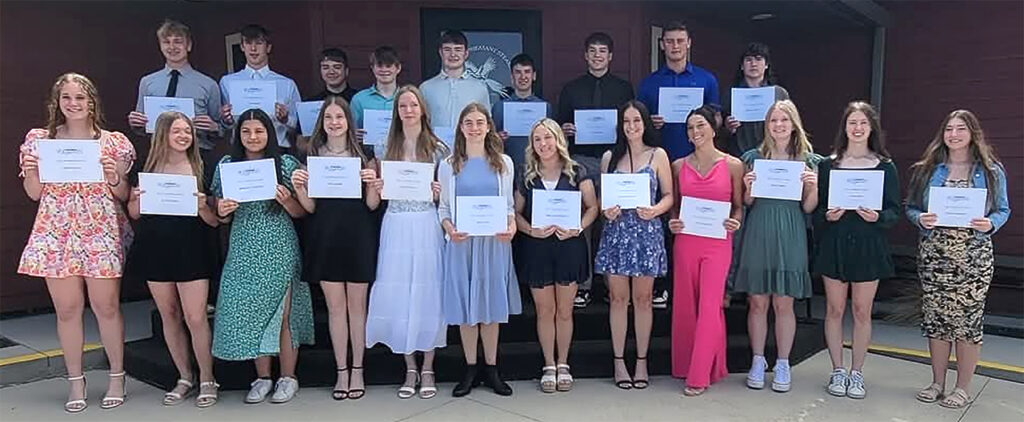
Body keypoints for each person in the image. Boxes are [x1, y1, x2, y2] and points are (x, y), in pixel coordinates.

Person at [18, 73, 136, 412]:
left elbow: (123, 193)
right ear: (57, 102)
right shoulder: (40, 140)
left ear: (92, 102)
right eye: (66, 97)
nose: (73, 103)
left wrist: (114, 176)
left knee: (106, 306)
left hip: (99, 230)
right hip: (56, 232)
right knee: (67, 309)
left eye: (80, 97)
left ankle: (116, 376)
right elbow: (34, 193)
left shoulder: (113, 143)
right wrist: (32, 171)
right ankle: (75, 381)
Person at [905, 110, 1010, 409]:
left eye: (960, 129)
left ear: (973, 133)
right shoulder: (927, 170)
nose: (954, 134)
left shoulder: (991, 170)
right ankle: (937, 383)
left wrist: (990, 224)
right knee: (936, 320)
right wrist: (920, 218)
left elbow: (1003, 210)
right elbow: (911, 207)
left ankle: (962, 388)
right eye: (949, 129)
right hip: (934, 257)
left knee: (967, 323)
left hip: (973, 257)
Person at [210, 109, 314, 404]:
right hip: (243, 246)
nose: (253, 137)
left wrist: (287, 201)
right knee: (253, 311)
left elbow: (302, 212)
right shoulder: (227, 166)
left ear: (269, 133)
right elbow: (219, 215)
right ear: (238, 135)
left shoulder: (285, 164)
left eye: (259, 131)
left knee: (283, 313)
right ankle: (263, 378)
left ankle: (288, 377)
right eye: (246, 131)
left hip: (278, 244)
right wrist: (222, 211)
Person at [124, 112, 219, 407]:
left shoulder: (203, 166)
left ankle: (207, 378)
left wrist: (203, 206)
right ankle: (185, 377)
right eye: (176, 131)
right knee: (169, 314)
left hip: (192, 250)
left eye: (187, 131)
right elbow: (135, 213)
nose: (183, 136)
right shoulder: (146, 167)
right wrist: (135, 199)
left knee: (196, 317)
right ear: (162, 134)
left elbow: (214, 221)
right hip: (156, 249)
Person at [290, 97, 380, 400]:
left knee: (358, 308)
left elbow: (372, 205)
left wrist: (374, 185)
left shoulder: (365, 155)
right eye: (328, 117)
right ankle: (341, 370)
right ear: (322, 122)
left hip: (358, 236)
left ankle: (358, 369)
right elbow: (310, 207)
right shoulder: (313, 155)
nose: (334, 123)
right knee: (335, 308)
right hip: (326, 236)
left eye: (339, 117)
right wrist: (299, 187)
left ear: (348, 121)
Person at [364, 85, 448, 400]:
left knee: (427, 293)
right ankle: (409, 366)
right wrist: (376, 186)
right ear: (396, 112)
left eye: (413, 105)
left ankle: (428, 367)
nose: (409, 111)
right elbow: (372, 203)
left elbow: (446, 199)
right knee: (400, 294)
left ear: (423, 109)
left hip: (426, 223)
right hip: (396, 224)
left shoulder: (438, 148)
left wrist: (440, 193)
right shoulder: (384, 147)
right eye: (403, 106)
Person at [813, 101, 900, 400]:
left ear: (872, 128)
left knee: (862, 311)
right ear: (845, 127)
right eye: (853, 122)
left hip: (868, 245)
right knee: (835, 309)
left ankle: (857, 372)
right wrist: (827, 215)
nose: (858, 128)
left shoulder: (885, 166)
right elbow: (816, 211)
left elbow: (894, 211)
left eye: (864, 123)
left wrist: (879, 217)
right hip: (835, 244)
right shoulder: (828, 165)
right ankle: (837, 369)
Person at [732, 100, 820, 393]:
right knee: (757, 301)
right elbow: (747, 203)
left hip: (790, 230)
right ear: (766, 125)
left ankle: (783, 362)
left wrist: (813, 186)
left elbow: (808, 208)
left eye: (784, 120)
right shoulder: (754, 157)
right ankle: (758, 360)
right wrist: (748, 187)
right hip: (760, 229)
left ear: (794, 124)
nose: (779, 125)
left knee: (784, 302)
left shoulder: (808, 160)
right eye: (773, 120)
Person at [438, 103, 521, 397]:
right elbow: (444, 208)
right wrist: (449, 229)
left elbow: (508, 206)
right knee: (466, 308)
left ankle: (492, 368)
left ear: (488, 127)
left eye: (479, 122)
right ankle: (470, 368)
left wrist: (512, 226)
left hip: (494, 244)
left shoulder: (503, 163)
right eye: (469, 123)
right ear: (461, 128)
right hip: (462, 244)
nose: (474, 128)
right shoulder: (448, 165)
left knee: (491, 306)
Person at [513, 118, 599, 393]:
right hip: (537, 248)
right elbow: (515, 213)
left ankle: (564, 364)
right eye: (537, 139)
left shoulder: (577, 171)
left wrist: (578, 228)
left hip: (568, 247)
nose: (543, 144)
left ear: (558, 139)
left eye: (548, 137)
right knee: (544, 311)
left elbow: (592, 207)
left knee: (564, 311)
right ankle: (548, 365)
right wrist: (531, 230)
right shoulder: (527, 175)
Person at [594, 101, 673, 391]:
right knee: (617, 299)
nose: (631, 126)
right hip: (617, 234)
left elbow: (669, 195)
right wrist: (606, 210)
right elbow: (602, 200)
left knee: (643, 299)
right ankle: (618, 361)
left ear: (645, 123)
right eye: (626, 121)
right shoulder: (609, 157)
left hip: (646, 234)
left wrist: (655, 210)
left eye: (636, 120)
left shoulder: (658, 155)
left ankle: (641, 361)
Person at [667, 105, 744, 396]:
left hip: (717, 242)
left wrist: (735, 221)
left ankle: (698, 376)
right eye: (690, 128)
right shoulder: (678, 166)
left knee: (711, 305)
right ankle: (693, 365)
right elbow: (675, 206)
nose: (695, 131)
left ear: (714, 128)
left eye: (700, 125)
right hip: (686, 241)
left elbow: (738, 206)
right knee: (686, 305)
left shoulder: (733, 165)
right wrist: (673, 221)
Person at [556, 32, 635, 308]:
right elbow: (560, 126)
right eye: (593, 51)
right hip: (582, 160)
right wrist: (565, 129)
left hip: (615, 160)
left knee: (615, 220)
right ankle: (585, 284)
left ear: (610, 56)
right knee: (585, 223)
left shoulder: (624, 89)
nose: (597, 55)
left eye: (602, 51)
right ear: (585, 55)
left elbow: (632, 122)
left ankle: (614, 285)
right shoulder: (571, 89)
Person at [128, 19, 223, 172]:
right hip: (160, 156)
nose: (172, 47)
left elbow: (221, 128)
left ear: (188, 45)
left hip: (197, 156)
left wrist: (215, 127)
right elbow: (142, 127)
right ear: (160, 46)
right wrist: (136, 123)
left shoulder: (208, 84)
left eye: (178, 41)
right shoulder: (147, 82)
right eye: (166, 42)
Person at [637, 21, 720, 162]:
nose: (675, 46)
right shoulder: (649, 83)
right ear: (662, 45)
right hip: (660, 156)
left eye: (680, 41)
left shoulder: (706, 79)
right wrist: (650, 123)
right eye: (669, 41)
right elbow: (638, 121)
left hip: (698, 156)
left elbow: (717, 119)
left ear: (688, 43)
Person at [218, 24, 300, 153]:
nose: (253, 48)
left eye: (259, 43)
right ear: (242, 47)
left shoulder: (286, 84)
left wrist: (285, 119)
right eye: (248, 43)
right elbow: (225, 126)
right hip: (242, 150)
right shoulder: (227, 82)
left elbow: (298, 125)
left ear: (268, 47)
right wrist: (226, 120)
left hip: (278, 148)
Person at [723, 42, 791, 157]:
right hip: (739, 154)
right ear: (742, 66)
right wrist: (728, 127)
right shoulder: (730, 94)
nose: (753, 64)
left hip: (773, 154)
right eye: (748, 60)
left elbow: (791, 124)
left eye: (758, 59)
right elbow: (720, 132)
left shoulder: (779, 93)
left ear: (766, 65)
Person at [491, 53, 554, 178]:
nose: (523, 76)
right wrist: (497, 138)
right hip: (507, 168)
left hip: (538, 168)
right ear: (512, 77)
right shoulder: (499, 107)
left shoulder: (545, 108)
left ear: (534, 76)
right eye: (518, 72)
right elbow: (490, 141)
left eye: (527, 72)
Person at [420, 30, 491, 134]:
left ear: (466, 54)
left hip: (469, 143)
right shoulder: (426, 88)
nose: (453, 54)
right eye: (447, 49)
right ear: (440, 53)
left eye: (458, 49)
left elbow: (486, 122)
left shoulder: (480, 88)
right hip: (435, 144)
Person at [351, 46, 402, 156]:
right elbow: (350, 131)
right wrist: (353, 134)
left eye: (389, 66)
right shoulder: (359, 99)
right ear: (372, 68)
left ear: (398, 68)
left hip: (401, 155)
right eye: (379, 65)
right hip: (368, 157)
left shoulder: (406, 98)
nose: (384, 70)